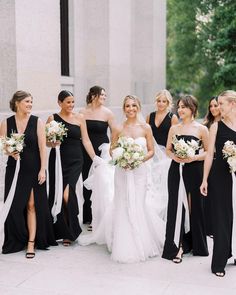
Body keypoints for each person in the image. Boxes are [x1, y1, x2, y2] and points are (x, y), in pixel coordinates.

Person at [79, 95, 165, 263]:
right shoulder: (118, 128)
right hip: (122, 171)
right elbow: (112, 149)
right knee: (123, 203)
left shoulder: (146, 127)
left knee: (138, 203)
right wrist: (122, 158)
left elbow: (151, 150)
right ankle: (123, 243)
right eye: (127, 106)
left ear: (138, 107)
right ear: (124, 108)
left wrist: (137, 159)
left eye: (133, 105)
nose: (130, 108)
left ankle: (142, 241)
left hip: (139, 171)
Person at [0, 90, 57, 258]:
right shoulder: (6, 122)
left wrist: (43, 170)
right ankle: (19, 238)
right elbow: (3, 146)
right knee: (15, 207)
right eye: (27, 101)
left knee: (32, 205)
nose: (30, 104)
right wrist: (11, 153)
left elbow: (42, 148)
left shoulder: (37, 121)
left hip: (33, 169)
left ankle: (31, 243)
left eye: (31, 101)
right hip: (14, 169)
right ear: (17, 103)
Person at [47, 90, 98, 246]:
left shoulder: (80, 118)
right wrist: (53, 142)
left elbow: (86, 141)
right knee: (58, 194)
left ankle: (72, 230)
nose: (71, 105)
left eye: (73, 102)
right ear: (60, 102)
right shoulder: (52, 118)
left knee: (67, 193)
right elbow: (47, 142)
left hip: (76, 160)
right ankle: (63, 232)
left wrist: (95, 158)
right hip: (57, 160)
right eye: (68, 102)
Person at [162, 95, 209, 263]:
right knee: (176, 207)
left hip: (194, 170)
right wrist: (175, 156)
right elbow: (167, 149)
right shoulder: (174, 129)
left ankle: (197, 245)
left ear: (193, 109)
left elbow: (209, 153)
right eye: (179, 107)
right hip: (176, 170)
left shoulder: (202, 129)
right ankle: (177, 247)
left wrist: (193, 157)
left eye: (184, 107)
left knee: (194, 207)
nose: (180, 110)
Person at [200, 90, 236, 277]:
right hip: (220, 177)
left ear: (233, 104)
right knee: (222, 220)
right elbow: (209, 155)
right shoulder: (216, 126)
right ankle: (219, 262)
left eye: (221, 104)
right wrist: (205, 179)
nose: (218, 107)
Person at [80, 86, 115, 227]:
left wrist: (112, 150)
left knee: (102, 181)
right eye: (102, 95)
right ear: (93, 95)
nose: (104, 98)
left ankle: (101, 216)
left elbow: (115, 133)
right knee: (86, 181)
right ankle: (88, 217)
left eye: (105, 95)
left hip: (103, 151)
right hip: (85, 150)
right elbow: (82, 135)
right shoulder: (82, 112)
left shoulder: (108, 113)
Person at [146, 89, 178, 220]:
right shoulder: (150, 116)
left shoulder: (173, 118)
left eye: (163, 101)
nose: (160, 103)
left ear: (168, 103)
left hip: (165, 156)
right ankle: (152, 215)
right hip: (152, 154)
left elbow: (175, 139)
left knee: (163, 185)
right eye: (158, 101)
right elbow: (146, 135)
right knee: (151, 183)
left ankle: (163, 216)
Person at [203, 96, 221, 237]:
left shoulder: (228, 123)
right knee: (210, 196)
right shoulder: (206, 124)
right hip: (208, 161)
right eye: (211, 106)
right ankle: (210, 228)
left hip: (222, 162)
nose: (213, 108)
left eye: (216, 105)